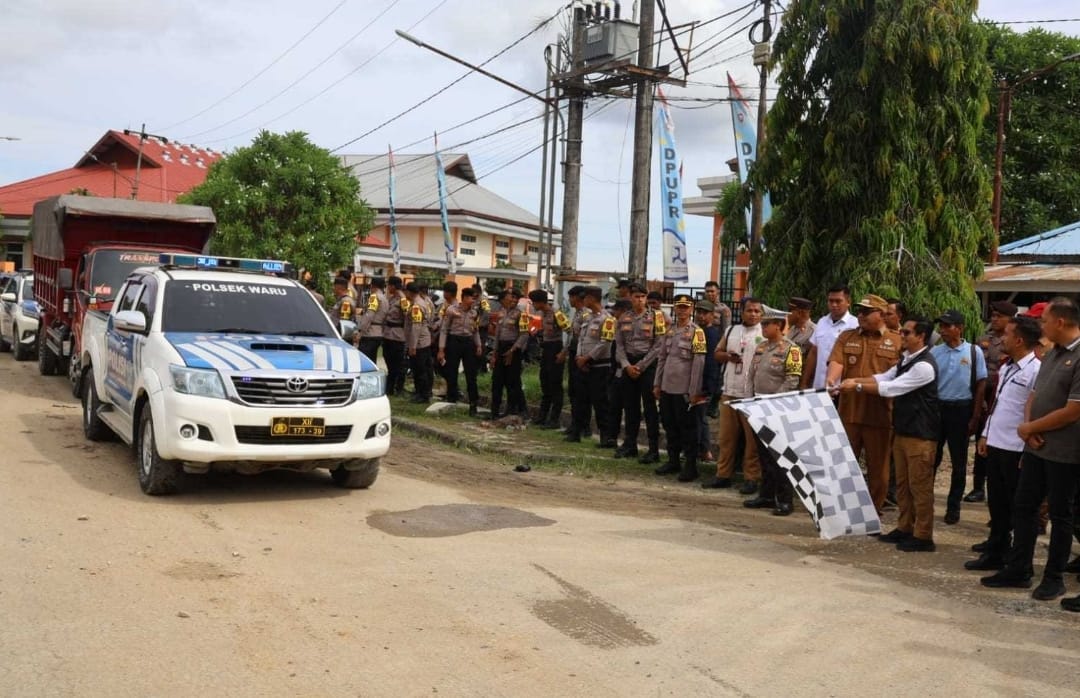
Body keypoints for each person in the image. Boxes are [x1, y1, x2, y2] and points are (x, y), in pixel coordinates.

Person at [981, 298, 1080, 607]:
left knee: (1061, 515)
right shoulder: (1053, 353)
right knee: (1024, 506)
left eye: (1045, 320)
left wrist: (1032, 428)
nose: (1041, 326)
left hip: (1065, 452)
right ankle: (1019, 568)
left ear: (1060, 322)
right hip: (1036, 445)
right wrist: (1029, 428)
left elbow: (1074, 410)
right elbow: (1035, 395)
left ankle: (1054, 578)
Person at [842, 316, 940, 551]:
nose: (902, 336)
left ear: (921, 337)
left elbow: (891, 388)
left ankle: (923, 535)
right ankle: (905, 527)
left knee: (920, 487)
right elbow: (882, 377)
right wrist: (854, 379)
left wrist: (855, 386)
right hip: (904, 431)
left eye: (907, 333)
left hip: (921, 435)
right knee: (904, 486)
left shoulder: (924, 365)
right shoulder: (907, 360)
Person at [964, 316, 1041, 570]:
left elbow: (1034, 413)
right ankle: (996, 551)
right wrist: (986, 434)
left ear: (1019, 340)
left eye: (1007, 335)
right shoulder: (1008, 367)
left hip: (1016, 449)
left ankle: (1017, 562)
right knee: (996, 503)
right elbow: (997, 406)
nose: (1001, 339)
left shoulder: (1035, 370)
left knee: (1017, 507)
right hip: (996, 444)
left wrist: (1027, 449)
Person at [826, 293, 902, 513]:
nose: (861, 316)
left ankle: (873, 509)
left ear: (882, 314)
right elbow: (837, 361)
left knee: (878, 468)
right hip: (849, 411)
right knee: (845, 464)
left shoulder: (897, 341)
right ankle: (845, 508)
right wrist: (831, 379)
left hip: (879, 414)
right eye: (859, 311)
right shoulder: (847, 337)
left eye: (867, 312)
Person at [931, 309, 988, 525]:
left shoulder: (973, 352)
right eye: (941, 326)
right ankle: (925, 502)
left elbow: (981, 383)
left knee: (959, 462)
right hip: (939, 409)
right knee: (931, 459)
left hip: (961, 409)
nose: (943, 330)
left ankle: (953, 507)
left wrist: (974, 416)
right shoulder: (936, 352)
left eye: (948, 326)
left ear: (960, 327)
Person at [743, 312, 803, 515]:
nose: (763, 327)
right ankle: (767, 495)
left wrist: (772, 404)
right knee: (763, 455)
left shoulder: (791, 349)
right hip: (757, 405)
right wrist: (749, 400)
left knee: (779, 456)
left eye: (767, 324)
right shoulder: (761, 347)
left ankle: (785, 499)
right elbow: (752, 375)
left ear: (778, 325)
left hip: (777, 408)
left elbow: (792, 380)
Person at [702, 297, 764, 492]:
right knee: (726, 438)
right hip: (729, 392)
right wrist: (729, 356)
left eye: (757, 311)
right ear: (742, 311)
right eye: (749, 310)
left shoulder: (765, 332)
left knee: (752, 441)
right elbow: (717, 353)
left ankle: (751, 478)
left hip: (752, 395)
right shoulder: (731, 330)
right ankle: (723, 475)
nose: (753, 314)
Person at [965, 300, 1018, 503]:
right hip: (982, 396)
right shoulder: (983, 340)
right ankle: (978, 487)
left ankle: (1000, 491)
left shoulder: (1016, 341)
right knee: (981, 441)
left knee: (1000, 447)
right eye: (993, 316)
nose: (994, 319)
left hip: (1002, 395)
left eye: (999, 316)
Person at [653, 294, 707, 482]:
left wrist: (694, 391)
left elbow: (698, 364)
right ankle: (673, 460)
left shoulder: (697, 332)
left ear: (691, 309)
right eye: (679, 306)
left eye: (686, 307)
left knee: (688, 429)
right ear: (675, 309)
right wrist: (657, 384)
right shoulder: (670, 331)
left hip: (684, 389)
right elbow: (662, 358)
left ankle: (690, 466)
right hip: (668, 387)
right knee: (670, 426)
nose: (682, 310)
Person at [613, 283, 666, 463]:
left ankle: (653, 449)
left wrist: (641, 366)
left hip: (648, 364)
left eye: (643, 297)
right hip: (629, 363)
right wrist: (627, 365)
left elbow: (659, 345)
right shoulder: (624, 317)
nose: (640, 300)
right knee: (630, 406)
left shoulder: (656, 317)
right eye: (636, 297)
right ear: (631, 298)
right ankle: (630, 444)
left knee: (650, 408)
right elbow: (619, 345)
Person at [571, 286, 617, 446]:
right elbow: (581, 340)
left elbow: (605, 343)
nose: (583, 301)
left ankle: (605, 436)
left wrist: (588, 358)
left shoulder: (608, 319)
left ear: (591, 298)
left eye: (585, 298)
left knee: (600, 402)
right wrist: (579, 357)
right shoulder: (587, 318)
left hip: (599, 366)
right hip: (582, 365)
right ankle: (576, 431)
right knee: (580, 400)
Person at [801, 285, 859, 390]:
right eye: (830, 301)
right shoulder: (822, 322)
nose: (834, 305)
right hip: (819, 386)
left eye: (838, 301)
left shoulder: (855, 325)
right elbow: (814, 352)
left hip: (840, 388)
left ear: (848, 302)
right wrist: (804, 382)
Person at [437, 287, 483, 415]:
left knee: (471, 374)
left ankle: (473, 404)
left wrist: (478, 345)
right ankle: (451, 400)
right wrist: (441, 349)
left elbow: (475, 331)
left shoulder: (474, 313)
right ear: (464, 298)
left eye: (474, 298)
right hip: (454, 341)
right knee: (452, 372)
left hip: (468, 342)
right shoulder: (452, 310)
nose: (473, 301)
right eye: (471, 298)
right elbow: (444, 330)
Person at [529, 289, 571, 428]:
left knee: (555, 385)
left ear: (540, 302)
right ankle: (542, 416)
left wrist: (564, 352)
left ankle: (554, 419)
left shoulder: (556, 314)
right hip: (546, 349)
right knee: (545, 383)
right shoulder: (543, 314)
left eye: (534, 302)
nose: (533, 305)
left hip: (556, 349)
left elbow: (570, 332)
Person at [490, 289, 529, 418]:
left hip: (513, 349)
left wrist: (513, 350)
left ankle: (513, 410)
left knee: (512, 381)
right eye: (510, 297)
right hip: (501, 347)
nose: (512, 300)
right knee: (497, 381)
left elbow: (524, 335)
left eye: (514, 298)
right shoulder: (502, 313)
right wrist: (494, 354)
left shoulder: (521, 314)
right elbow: (497, 334)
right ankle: (494, 411)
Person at [562, 286, 592, 441]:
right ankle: (575, 424)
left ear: (577, 298)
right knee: (573, 391)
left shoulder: (586, 314)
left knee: (582, 393)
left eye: (571, 297)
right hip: (574, 353)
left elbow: (585, 338)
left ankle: (584, 426)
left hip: (582, 355)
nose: (570, 300)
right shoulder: (577, 313)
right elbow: (573, 336)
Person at [695, 300, 722, 464]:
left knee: (701, 418)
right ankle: (699, 449)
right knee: (696, 418)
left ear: (712, 315)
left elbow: (711, 363)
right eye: (699, 312)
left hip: (705, 383)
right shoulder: (700, 331)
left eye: (705, 313)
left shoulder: (711, 333)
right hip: (696, 381)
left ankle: (705, 451)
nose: (701, 316)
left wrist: (707, 387)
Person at [703, 280, 732, 418]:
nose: (710, 294)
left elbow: (726, 331)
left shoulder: (723, 310)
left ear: (718, 292)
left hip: (716, 346)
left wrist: (722, 349)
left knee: (717, 377)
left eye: (712, 291)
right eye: (707, 291)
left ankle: (713, 405)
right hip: (702, 344)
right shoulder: (702, 307)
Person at [404, 282, 434, 403]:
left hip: (419, 342)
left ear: (410, 292)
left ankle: (422, 394)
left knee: (419, 369)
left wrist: (412, 346)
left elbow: (416, 327)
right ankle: (422, 392)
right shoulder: (423, 302)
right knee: (424, 369)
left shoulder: (416, 306)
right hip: (424, 340)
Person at [383, 276, 409, 397]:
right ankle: (390, 386)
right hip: (388, 333)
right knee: (388, 358)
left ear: (393, 286)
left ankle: (396, 387)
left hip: (398, 335)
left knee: (397, 363)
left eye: (389, 285)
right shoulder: (392, 298)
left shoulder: (403, 299)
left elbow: (407, 317)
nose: (388, 288)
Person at [357, 276, 388, 361]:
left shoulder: (374, 297)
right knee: (373, 360)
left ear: (372, 285)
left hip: (369, 333)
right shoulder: (385, 299)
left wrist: (361, 332)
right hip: (379, 332)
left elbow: (369, 315)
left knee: (364, 360)